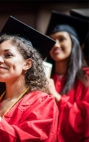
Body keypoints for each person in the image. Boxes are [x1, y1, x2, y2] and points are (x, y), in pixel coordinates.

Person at [46, 11, 89, 142]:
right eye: (52, 40)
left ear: (74, 43)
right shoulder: (45, 77)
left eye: (61, 39)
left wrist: (56, 96)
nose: (56, 45)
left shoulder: (86, 78)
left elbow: (85, 119)